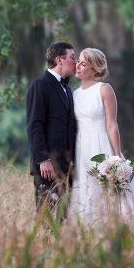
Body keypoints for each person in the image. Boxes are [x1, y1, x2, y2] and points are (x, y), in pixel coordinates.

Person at [69, 47, 134, 224]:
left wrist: (116, 156)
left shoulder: (104, 89)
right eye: (78, 62)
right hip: (80, 148)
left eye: (83, 64)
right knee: (84, 192)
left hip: (101, 145)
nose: (77, 66)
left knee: (107, 193)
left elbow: (112, 124)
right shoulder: (73, 94)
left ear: (95, 69)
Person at [26, 42, 77, 212]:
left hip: (67, 166)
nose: (76, 61)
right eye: (72, 57)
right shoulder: (40, 85)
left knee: (63, 220)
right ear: (59, 60)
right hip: (47, 167)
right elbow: (34, 125)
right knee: (45, 218)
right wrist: (43, 159)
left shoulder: (68, 90)